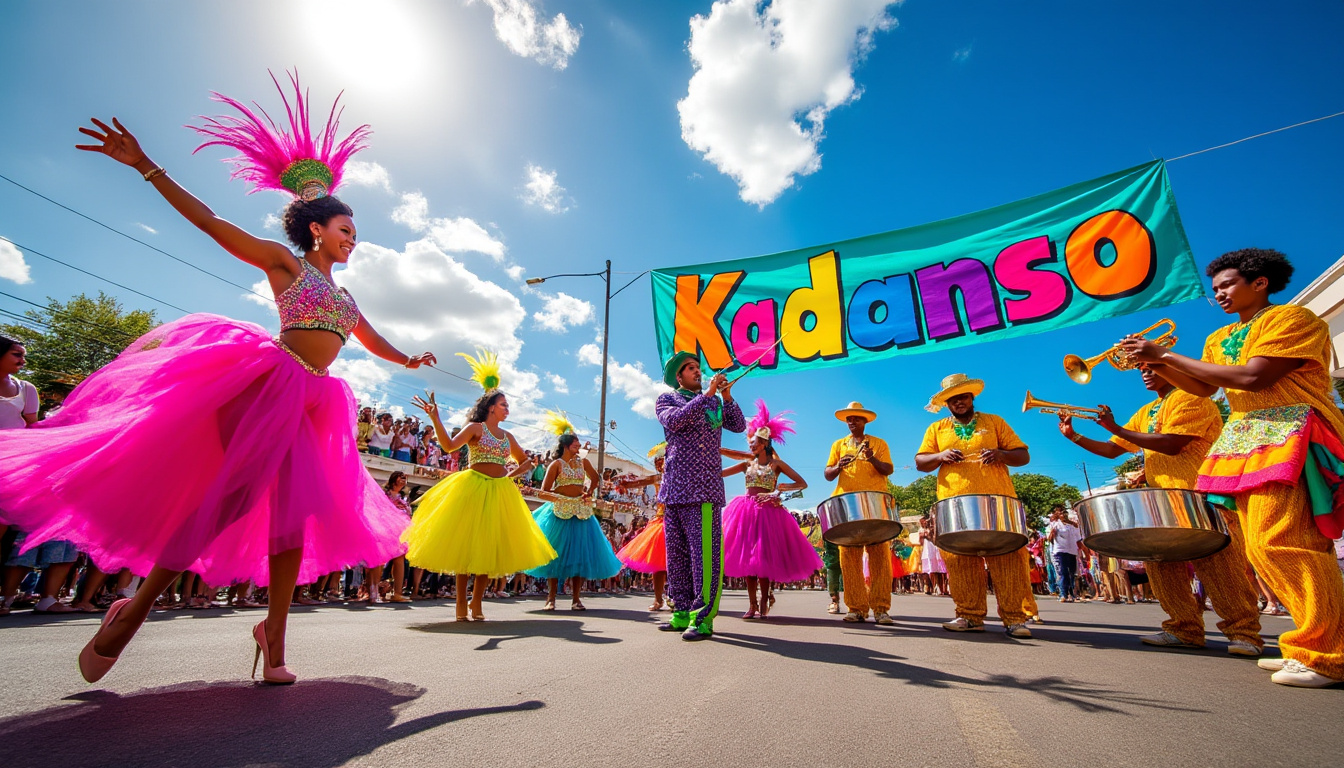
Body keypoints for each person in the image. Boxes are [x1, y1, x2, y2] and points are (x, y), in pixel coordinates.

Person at [0, 76, 434, 684]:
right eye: (344, 229)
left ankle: (274, 638)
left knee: (294, 520)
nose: (352, 238)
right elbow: (209, 222)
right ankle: (136, 606)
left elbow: (369, 338)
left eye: (355, 232)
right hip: (271, 386)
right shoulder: (284, 264)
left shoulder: (346, 295)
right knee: (227, 502)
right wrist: (146, 166)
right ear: (316, 230)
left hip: (317, 400)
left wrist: (408, 360)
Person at [1119, 247, 1344, 687]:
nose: (1219, 294)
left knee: (1286, 543)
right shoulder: (1218, 338)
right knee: (1263, 548)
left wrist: (1162, 354)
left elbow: (1251, 378)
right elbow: (1202, 388)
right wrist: (1157, 359)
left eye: (1228, 285)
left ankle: (1328, 653)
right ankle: (1311, 644)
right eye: (1215, 288)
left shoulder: (1293, 320)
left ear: (1259, 283)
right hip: (1249, 438)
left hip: (1293, 429)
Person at [1058, 365, 1263, 656]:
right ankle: (1183, 628)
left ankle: (1244, 633)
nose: (1145, 374)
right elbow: (1113, 449)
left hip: (1201, 494)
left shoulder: (1193, 398)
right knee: (1160, 561)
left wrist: (1116, 427)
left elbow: (1172, 444)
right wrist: (1073, 436)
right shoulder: (1144, 412)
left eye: (1153, 367)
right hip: (1162, 500)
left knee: (1220, 568)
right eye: (1141, 369)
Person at [401, 350, 556, 622]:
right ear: (491, 407)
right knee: (466, 549)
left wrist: (511, 474)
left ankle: (477, 602)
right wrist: (435, 417)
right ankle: (461, 603)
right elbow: (448, 446)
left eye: (508, 405)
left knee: (488, 550)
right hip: (472, 488)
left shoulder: (508, 436)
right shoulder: (475, 427)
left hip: (499, 491)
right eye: (504, 404)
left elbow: (527, 462)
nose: (508, 409)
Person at [915, 374, 1034, 639]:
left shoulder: (994, 422)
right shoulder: (936, 429)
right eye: (953, 398)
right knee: (960, 559)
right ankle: (969, 616)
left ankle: (1014, 619)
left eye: (964, 396)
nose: (959, 401)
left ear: (972, 397)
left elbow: (1023, 455)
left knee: (1006, 558)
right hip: (955, 503)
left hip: (995, 501)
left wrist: (1001, 454)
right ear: (946, 403)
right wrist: (940, 456)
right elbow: (921, 462)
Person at [654, 351, 745, 641]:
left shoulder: (715, 401)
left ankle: (702, 618)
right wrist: (709, 393)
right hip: (675, 489)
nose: (697, 371)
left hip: (704, 488)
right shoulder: (667, 400)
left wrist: (726, 396)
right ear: (678, 378)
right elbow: (677, 421)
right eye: (690, 368)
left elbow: (739, 425)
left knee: (704, 558)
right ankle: (681, 612)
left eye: (697, 367)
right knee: (677, 558)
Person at [719, 400, 817, 619]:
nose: (750, 446)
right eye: (750, 443)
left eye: (754, 442)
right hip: (744, 513)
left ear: (764, 443)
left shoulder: (776, 465)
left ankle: (764, 600)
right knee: (747, 561)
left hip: (769, 514)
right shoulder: (747, 464)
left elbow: (802, 483)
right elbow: (720, 474)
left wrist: (779, 491)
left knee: (762, 560)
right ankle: (751, 604)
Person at [525, 412, 623, 611]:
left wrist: (587, 492)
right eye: (576, 445)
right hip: (559, 513)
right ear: (566, 445)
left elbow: (596, 478)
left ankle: (576, 599)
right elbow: (544, 492)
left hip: (581, 512)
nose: (579, 448)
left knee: (580, 557)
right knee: (554, 555)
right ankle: (550, 598)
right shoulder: (556, 464)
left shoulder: (583, 462)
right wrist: (559, 496)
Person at [823, 401, 896, 625]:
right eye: (849, 419)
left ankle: (881, 609)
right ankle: (856, 608)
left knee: (880, 559)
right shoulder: (838, 445)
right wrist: (839, 467)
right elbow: (827, 474)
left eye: (856, 418)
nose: (852, 422)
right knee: (849, 560)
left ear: (865, 421)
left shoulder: (879, 443)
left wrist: (872, 457)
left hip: (874, 506)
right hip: (848, 507)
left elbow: (889, 470)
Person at [615, 446, 669, 611]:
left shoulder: (682, 475)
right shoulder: (657, 478)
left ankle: (676, 597)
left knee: (678, 564)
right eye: (659, 462)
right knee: (658, 566)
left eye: (664, 461)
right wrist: (625, 484)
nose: (662, 465)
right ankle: (658, 599)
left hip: (679, 521)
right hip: (660, 522)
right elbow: (639, 482)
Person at [1045, 507, 1082, 602]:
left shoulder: (1073, 525)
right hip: (1060, 551)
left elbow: (1078, 539)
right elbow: (1049, 539)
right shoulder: (1055, 524)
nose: (1063, 515)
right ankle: (1063, 594)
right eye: (1061, 513)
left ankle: (1072, 593)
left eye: (1064, 513)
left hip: (1072, 551)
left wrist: (1083, 552)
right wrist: (1052, 534)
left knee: (1072, 573)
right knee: (1063, 572)